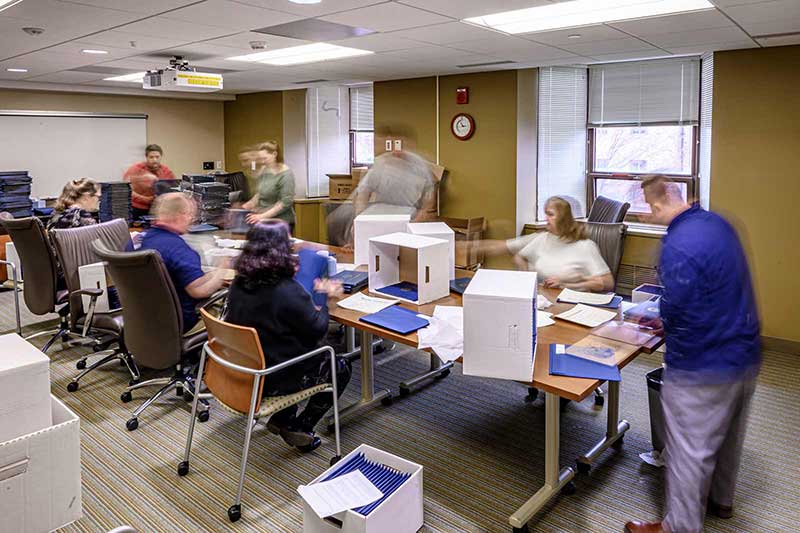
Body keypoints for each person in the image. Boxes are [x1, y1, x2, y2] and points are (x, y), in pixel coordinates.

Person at [625, 176, 761, 533]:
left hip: (703, 364)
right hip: (744, 353)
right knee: (728, 438)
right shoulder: (719, 224)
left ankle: (679, 528)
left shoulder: (678, 243)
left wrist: (652, 318)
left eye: (646, 211)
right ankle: (722, 500)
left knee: (688, 452)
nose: (647, 217)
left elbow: (680, 307)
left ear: (656, 205)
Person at [225, 220, 350, 452]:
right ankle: (300, 426)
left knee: (287, 341)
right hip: (271, 376)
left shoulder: (239, 281)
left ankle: (283, 416)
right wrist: (327, 297)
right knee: (339, 365)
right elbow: (319, 328)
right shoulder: (286, 290)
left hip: (240, 370)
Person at [129, 193, 227, 334]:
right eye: (190, 216)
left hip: (140, 320)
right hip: (178, 322)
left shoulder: (135, 241)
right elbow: (199, 290)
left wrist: (211, 274)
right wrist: (222, 269)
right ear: (181, 215)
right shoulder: (178, 249)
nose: (191, 221)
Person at [479, 196, 614, 292]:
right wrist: (526, 279)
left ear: (563, 218)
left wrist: (565, 284)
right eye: (546, 214)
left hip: (575, 305)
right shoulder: (543, 238)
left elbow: (607, 283)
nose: (546, 219)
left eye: (550, 215)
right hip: (547, 301)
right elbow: (519, 257)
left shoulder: (585, 246)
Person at [242, 141, 296, 233]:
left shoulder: (286, 174)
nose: (262, 162)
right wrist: (249, 204)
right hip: (263, 221)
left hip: (280, 223)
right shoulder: (265, 170)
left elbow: (284, 203)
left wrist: (261, 216)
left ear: (274, 154)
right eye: (261, 159)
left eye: (265, 158)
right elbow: (260, 193)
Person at [123, 144, 177, 219]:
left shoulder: (166, 171)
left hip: (158, 209)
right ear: (146, 157)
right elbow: (126, 190)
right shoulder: (136, 169)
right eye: (151, 157)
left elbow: (173, 189)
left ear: (161, 157)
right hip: (137, 209)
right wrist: (147, 199)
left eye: (157, 157)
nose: (155, 160)